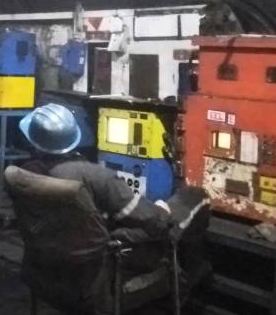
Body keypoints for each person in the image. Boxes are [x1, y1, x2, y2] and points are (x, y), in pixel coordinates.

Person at [18, 103, 179, 244]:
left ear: (33, 141)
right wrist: (162, 212)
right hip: (92, 259)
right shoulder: (98, 176)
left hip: (44, 255)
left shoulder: (23, 173)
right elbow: (141, 215)